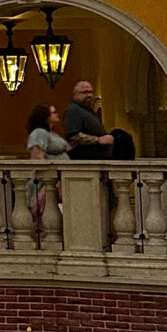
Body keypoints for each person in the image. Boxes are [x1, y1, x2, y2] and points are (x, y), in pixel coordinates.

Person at [26, 102, 69, 235]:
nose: (57, 114)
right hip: (45, 183)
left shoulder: (52, 134)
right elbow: (37, 157)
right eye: (53, 112)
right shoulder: (39, 132)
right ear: (45, 116)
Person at [63, 79, 115, 158]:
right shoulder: (74, 110)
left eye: (90, 92)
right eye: (84, 92)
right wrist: (99, 140)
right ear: (75, 95)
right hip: (84, 163)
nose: (89, 95)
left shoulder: (89, 111)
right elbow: (73, 137)